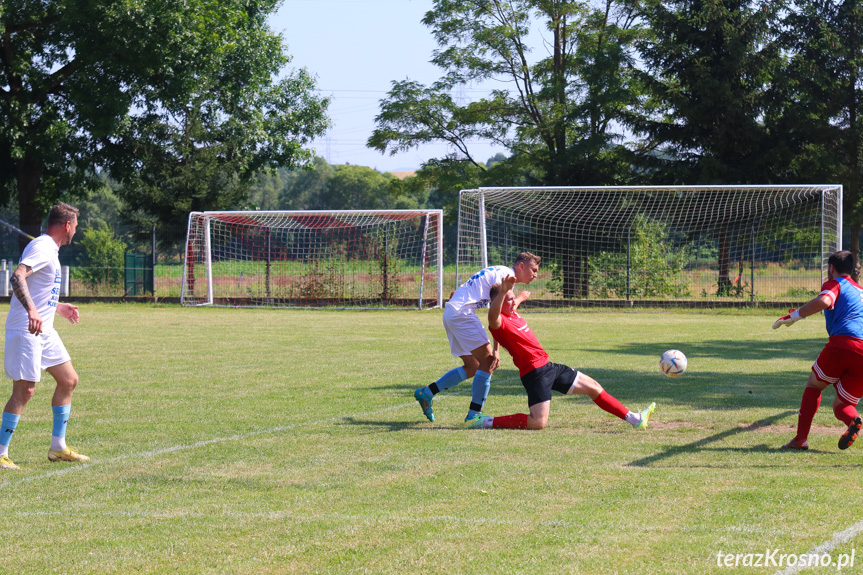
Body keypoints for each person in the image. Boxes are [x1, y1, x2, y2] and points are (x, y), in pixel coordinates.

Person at [465, 275, 656, 430]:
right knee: (538, 422)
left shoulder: (511, 310)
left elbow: (513, 303)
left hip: (548, 366)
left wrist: (520, 296)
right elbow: (493, 316)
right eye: (509, 298)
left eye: (513, 298)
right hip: (534, 374)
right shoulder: (498, 321)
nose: (513, 301)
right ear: (497, 302)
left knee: (594, 387)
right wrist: (504, 292)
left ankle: (635, 419)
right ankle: (485, 421)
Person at [0, 203, 88, 470]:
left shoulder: (51, 250)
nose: (76, 230)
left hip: (44, 330)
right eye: (76, 226)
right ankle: (0, 452)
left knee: (69, 380)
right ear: (67, 225)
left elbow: (39, 286)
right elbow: (17, 278)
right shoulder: (42, 246)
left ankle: (57, 448)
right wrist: (33, 310)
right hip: (26, 331)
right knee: (24, 391)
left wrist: (57, 307)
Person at [414, 253, 541, 425]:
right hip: (462, 314)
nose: (535, 275)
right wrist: (496, 351)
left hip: (453, 312)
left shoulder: (499, 271)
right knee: (488, 361)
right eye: (533, 270)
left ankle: (427, 393)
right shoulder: (506, 278)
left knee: (474, 366)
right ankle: (474, 416)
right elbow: (498, 316)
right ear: (521, 266)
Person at [775, 250, 863, 451]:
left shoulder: (836, 283)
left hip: (845, 342)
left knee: (814, 386)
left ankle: (800, 440)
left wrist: (794, 316)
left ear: (831, 268)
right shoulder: (861, 291)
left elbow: (825, 301)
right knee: (841, 405)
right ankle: (854, 420)